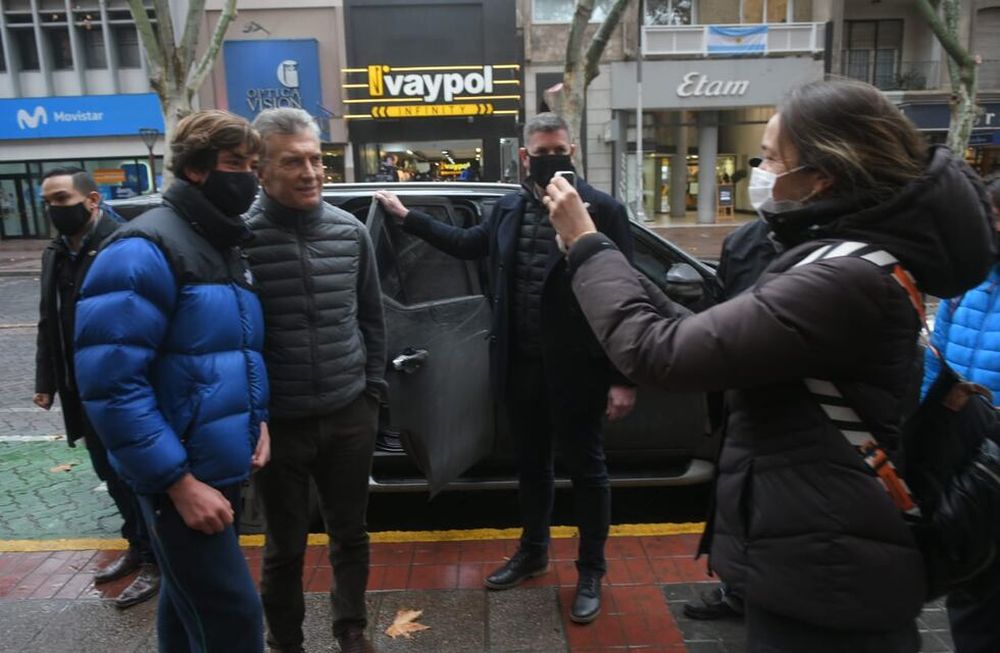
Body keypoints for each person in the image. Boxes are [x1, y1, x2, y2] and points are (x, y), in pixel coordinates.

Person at [545, 79, 996, 651]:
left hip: (829, 572)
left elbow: (659, 353)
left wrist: (588, 246)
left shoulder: (844, 278)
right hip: (818, 556)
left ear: (822, 174)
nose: (758, 169)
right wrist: (604, 258)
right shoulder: (836, 259)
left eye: (771, 156)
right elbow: (695, 333)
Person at [375, 112, 636, 624]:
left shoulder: (603, 210)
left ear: (574, 152)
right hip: (520, 366)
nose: (550, 160)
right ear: (524, 157)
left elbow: (627, 297)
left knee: (588, 471)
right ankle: (534, 553)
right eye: (541, 153)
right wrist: (408, 218)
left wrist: (622, 376)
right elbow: (468, 243)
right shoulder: (509, 207)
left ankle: (590, 570)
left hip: (578, 370)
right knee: (531, 467)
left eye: (559, 150)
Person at [74, 110, 271, 652]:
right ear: (195, 169)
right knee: (232, 618)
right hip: (181, 478)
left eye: (254, 166)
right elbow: (112, 385)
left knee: (188, 612)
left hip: (216, 467)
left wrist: (260, 420)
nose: (249, 178)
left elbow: (233, 351)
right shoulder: (145, 250)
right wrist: (177, 483)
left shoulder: (222, 244)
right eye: (236, 164)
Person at [243, 107, 386, 653]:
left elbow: (372, 318)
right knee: (284, 546)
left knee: (350, 534)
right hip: (278, 425)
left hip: (349, 411)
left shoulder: (350, 232)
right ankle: (285, 642)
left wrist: (371, 393)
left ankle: (351, 629)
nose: (311, 172)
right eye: (293, 162)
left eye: (316, 159)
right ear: (261, 170)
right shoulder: (241, 240)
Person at [33, 167, 159, 609]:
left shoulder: (122, 245)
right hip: (80, 390)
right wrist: (46, 382)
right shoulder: (55, 252)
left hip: (123, 389)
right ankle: (138, 548)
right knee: (110, 475)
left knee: (139, 477)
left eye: (62, 199)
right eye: (47, 201)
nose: (54, 209)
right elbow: (49, 321)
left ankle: (157, 563)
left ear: (92, 200)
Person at [683, 216, 779, 622]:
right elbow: (719, 309)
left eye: (774, 157)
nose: (765, 173)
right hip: (742, 397)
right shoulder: (745, 239)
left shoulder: (835, 244)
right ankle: (738, 590)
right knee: (736, 498)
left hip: (791, 403)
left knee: (779, 506)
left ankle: (771, 598)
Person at [922, 173, 1000, 653]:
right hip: (970, 462)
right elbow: (938, 362)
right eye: (990, 216)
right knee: (972, 583)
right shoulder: (968, 280)